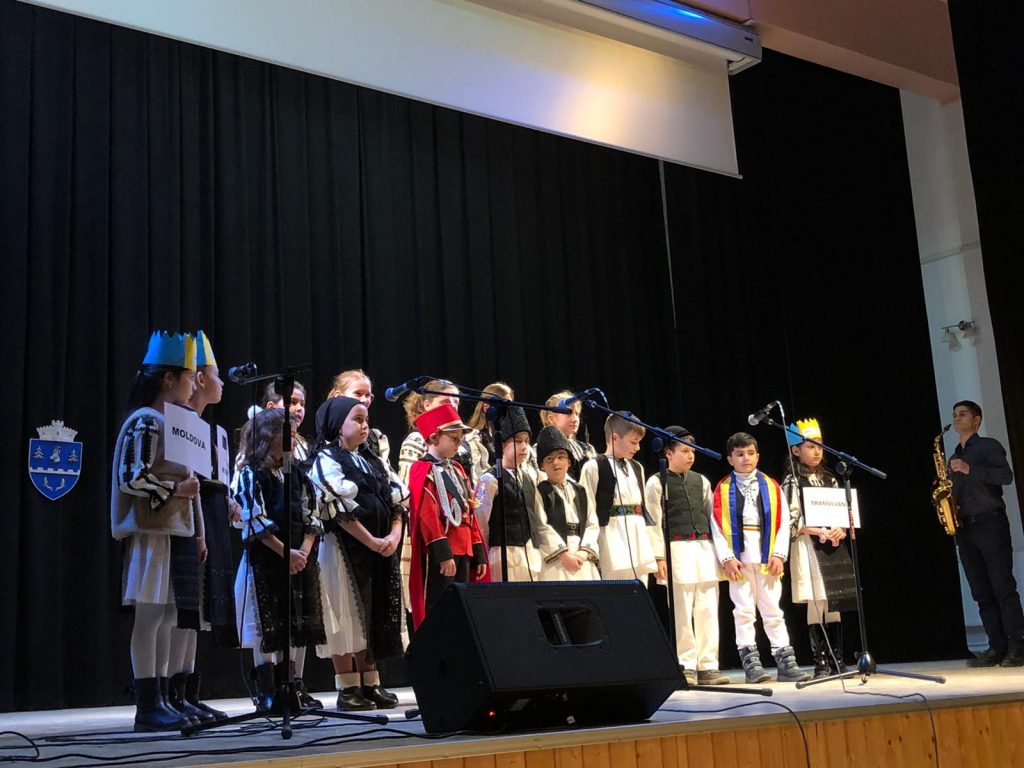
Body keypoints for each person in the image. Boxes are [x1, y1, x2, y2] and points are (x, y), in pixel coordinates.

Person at [110, 331, 201, 731]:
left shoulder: (166, 421)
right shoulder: (146, 419)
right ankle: (147, 703)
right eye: (189, 377)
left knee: (165, 615)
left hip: (169, 530)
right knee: (150, 616)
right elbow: (132, 476)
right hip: (151, 532)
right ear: (168, 379)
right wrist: (176, 490)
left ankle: (161, 696)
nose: (193, 384)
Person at [307, 397, 405, 710]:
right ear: (338, 425)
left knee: (371, 610)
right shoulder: (326, 459)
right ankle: (348, 685)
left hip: (379, 548)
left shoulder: (371, 460)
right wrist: (371, 540)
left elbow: (397, 501)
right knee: (346, 612)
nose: (365, 426)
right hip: (342, 549)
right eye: (357, 419)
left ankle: (370, 681)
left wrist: (393, 536)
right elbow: (336, 510)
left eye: (366, 420)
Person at [232, 408, 325, 712]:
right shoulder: (252, 474)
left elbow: (312, 514)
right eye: (287, 434)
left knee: (294, 622)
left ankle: (291, 686)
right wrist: (286, 553)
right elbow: (254, 519)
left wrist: (304, 551)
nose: (293, 440)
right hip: (267, 560)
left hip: (298, 560)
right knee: (267, 624)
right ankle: (267, 690)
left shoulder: (296, 474)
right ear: (267, 437)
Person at [165, 331, 236, 723]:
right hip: (190, 521)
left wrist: (228, 499)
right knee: (183, 611)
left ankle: (189, 691)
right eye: (215, 374)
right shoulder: (179, 423)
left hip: (209, 518)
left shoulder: (208, 428)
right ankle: (171, 693)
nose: (220, 382)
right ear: (199, 379)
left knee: (200, 615)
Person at [710, 432, 809, 683]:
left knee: (773, 609)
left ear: (758, 456)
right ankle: (751, 665)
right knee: (743, 611)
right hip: (739, 560)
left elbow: (783, 522)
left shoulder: (771, 485)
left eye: (750, 453)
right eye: (740, 454)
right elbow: (716, 526)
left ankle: (785, 663)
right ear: (730, 459)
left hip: (767, 557)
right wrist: (727, 557)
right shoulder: (722, 488)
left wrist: (779, 554)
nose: (746, 458)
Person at [646, 426, 728, 686]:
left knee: (708, 609)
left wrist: (722, 554)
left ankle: (708, 665)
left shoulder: (701, 481)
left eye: (692, 451)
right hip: (676, 549)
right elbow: (653, 521)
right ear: (668, 453)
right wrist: (659, 557)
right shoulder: (656, 482)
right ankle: (686, 664)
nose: (690, 456)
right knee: (681, 611)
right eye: (684, 451)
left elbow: (712, 518)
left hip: (703, 549)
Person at [949, 400, 1024, 667]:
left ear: (977, 420)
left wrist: (970, 469)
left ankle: (1018, 646)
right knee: (981, 591)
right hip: (965, 528)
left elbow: (1005, 476)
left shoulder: (988, 446)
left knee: (1003, 586)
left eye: (963, 414)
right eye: (955, 415)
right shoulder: (954, 456)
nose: (957, 418)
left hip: (990, 523)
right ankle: (996, 647)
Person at [781, 418, 856, 678]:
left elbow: (842, 511)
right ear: (796, 450)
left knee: (834, 600)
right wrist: (816, 530)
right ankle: (821, 661)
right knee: (816, 600)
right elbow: (790, 520)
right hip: (808, 546)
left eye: (820, 446)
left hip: (832, 545)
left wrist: (840, 529)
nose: (816, 451)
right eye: (810, 446)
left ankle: (838, 658)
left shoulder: (830, 479)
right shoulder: (792, 481)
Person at [407, 403, 487, 628]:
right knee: (439, 609)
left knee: (460, 610)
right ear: (434, 437)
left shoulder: (458, 469)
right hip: (444, 551)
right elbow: (427, 514)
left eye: (460, 439)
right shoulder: (422, 469)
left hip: (464, 548)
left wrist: (478, 551)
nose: (458, 444)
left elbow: (468, 510)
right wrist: (442, 552)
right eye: (454, 439)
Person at [579, 412, 658, 583]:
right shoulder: (594, 466)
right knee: (615, 590)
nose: (638, 448)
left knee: (640, 590)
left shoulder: (637, 467)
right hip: (611, 539)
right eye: (633, 442)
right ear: (614, 437)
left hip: (639, 539)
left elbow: (644, 508)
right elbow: (587, 509)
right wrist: (588, 545)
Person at [477, 406, 542, 581]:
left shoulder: (528, 478)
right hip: (502, 554)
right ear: (502, 444)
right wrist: (482, 555)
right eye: (518, 441)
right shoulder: (490, 479)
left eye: (527, 441)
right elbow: (480, 522)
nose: (524, 447)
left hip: (529, 555)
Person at [532, 426, 600, 581]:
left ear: (569, 462)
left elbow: (592, 523)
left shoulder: (581, 490)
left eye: (561, 457)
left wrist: (584, 551)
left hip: (581, 556)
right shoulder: (540, 491)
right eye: (549, 459)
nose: (555, 463)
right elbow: (541, 526)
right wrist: (564, 555)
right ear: (542, 465)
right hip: (557, 559)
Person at [397, 379, 462, 484]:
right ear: (427, 405)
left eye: (456, 402)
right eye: (446, 401)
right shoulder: (417, 439)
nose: (453, 406)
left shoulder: (458, 439)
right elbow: (408, 484)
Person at [537, 390, 598, 481]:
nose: (575, 419)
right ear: (551, 419)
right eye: (568, 413)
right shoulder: (540, 450)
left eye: (577, 414)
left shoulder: (587, 449)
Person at [465, 382, 515, 484]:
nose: (509, 411)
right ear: (486, 408)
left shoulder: (510, 436)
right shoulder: (474, 438)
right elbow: (479, 477)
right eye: (505, 406)